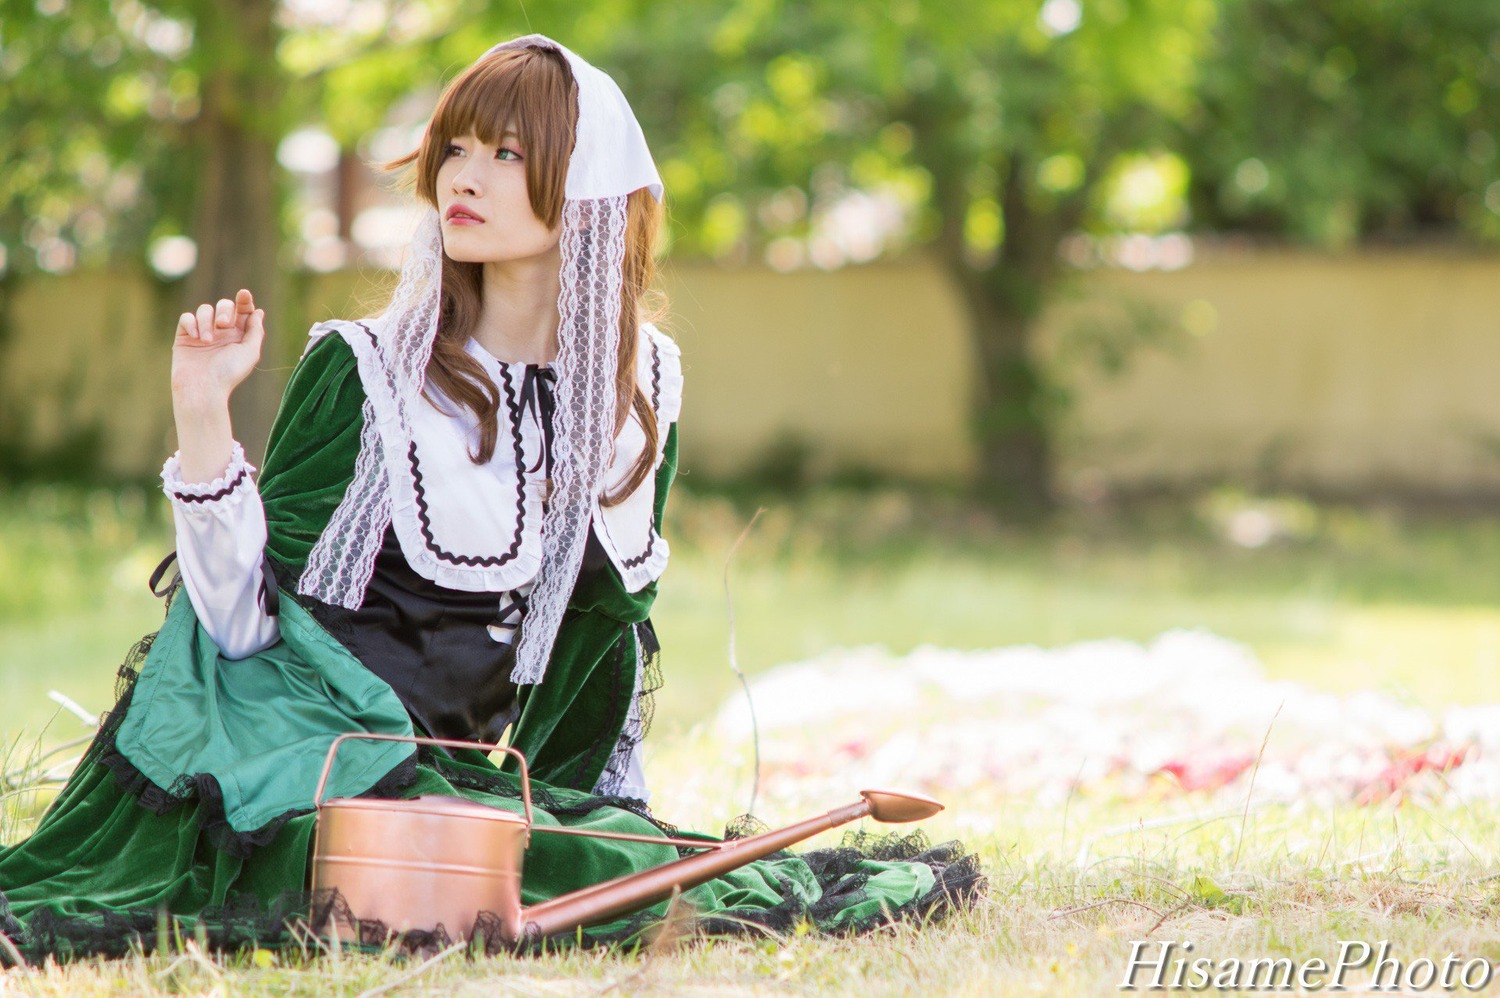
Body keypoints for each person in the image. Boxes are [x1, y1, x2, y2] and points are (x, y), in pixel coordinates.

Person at [0, 35, 981, 961]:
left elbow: (606, 631)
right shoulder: (370, 368)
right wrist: (201, 417)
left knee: (590, 852)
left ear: (589, 187)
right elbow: (236, 625)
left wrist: (611, 806)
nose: (462, 177)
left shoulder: (646, 389)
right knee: (451, 865)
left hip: (470, 777)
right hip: (304, 752)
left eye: (507, 152)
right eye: (455, 147)